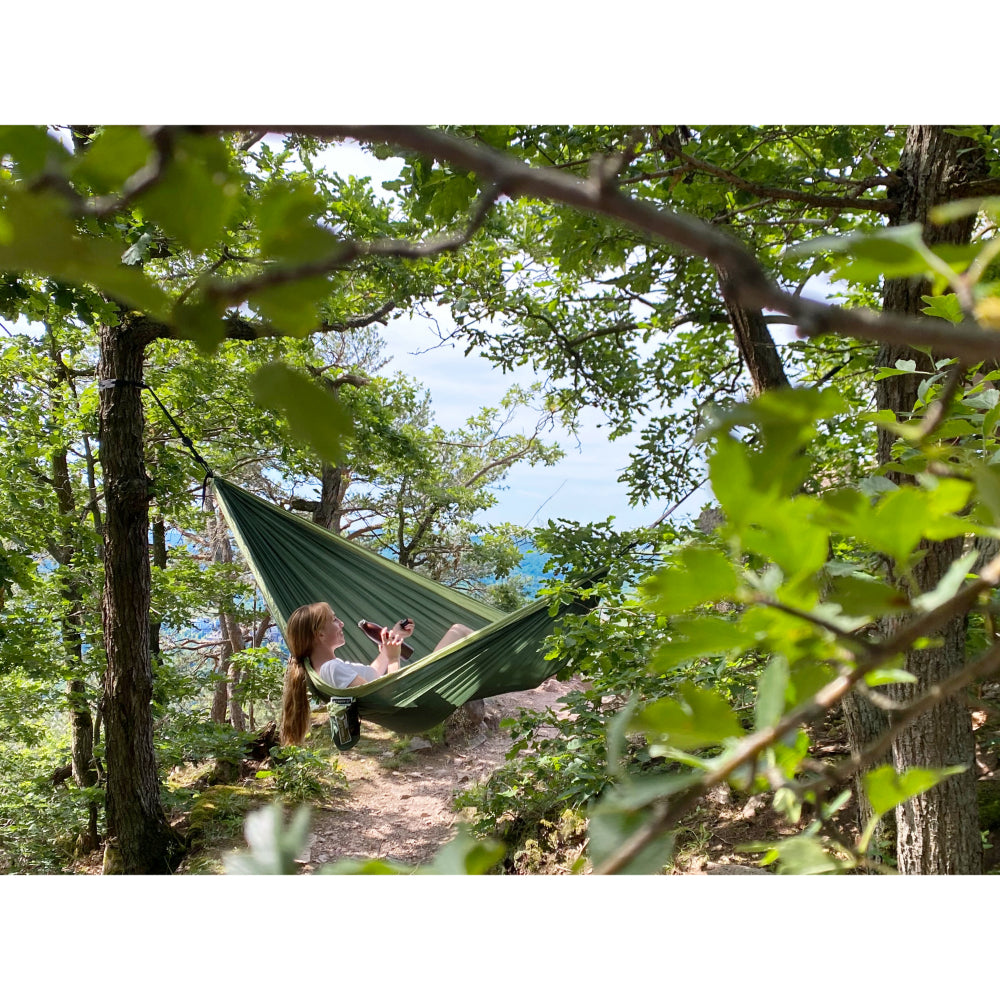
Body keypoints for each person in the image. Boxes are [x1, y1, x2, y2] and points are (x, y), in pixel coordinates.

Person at [279, 601, 472, 745]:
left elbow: (372, 677)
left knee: (460, 638)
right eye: (334, 619)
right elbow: (388, 698)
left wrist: (393, 641)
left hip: (413, 704)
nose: (342, 623)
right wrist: (394, 659)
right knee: (458, 631)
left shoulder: (328, 667)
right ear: (320, 634)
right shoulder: (333, 669)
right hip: (413, 704)